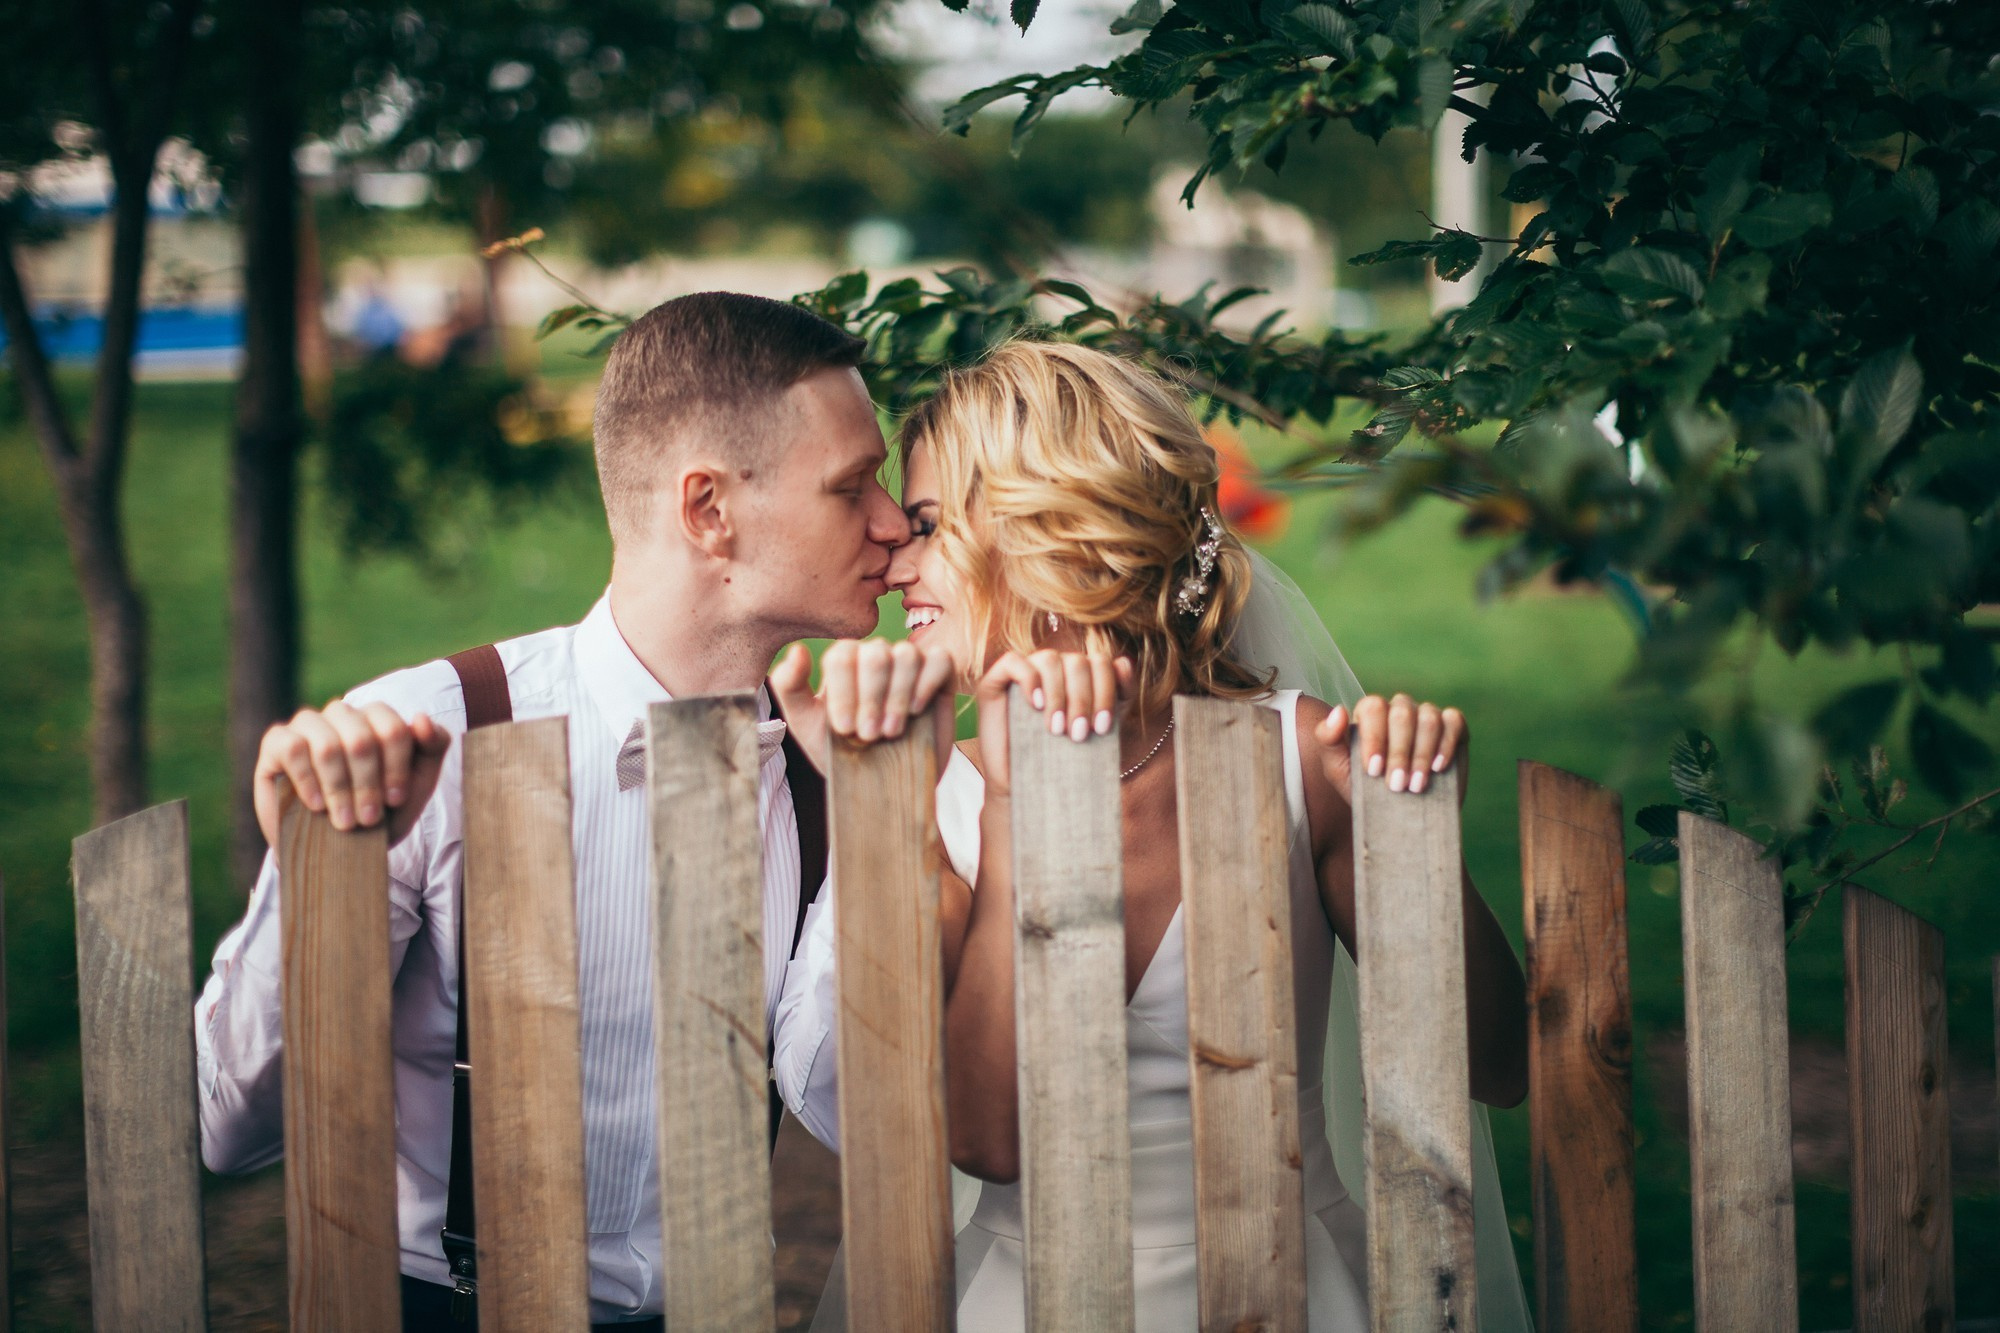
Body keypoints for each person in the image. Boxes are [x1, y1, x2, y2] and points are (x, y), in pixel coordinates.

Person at [194, 292, 930, 1330]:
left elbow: (866, 1116)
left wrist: (881, 823)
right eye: (852, 486)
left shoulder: (825, 763)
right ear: (707, 509)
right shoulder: (431, 736)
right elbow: (230, 1128)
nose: (893, 522)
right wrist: (323, 878)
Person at [771, 340, 1535, 1330]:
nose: (894, 563)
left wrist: (1414, 843)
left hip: (1291, 1294)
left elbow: (1498, 1066)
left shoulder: (1304, 761)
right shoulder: (936, 794)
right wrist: (1008, 810)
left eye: (927, 526)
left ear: (1054, 532)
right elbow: (986, 1142)